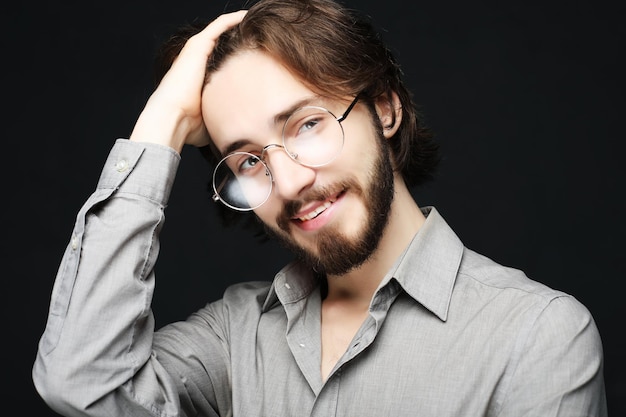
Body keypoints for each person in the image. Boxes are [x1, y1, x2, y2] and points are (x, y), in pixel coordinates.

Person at [33, 0, 607, 416]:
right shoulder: (235, 339)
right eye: (248, 161)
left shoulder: (535, 339)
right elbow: (82, 380)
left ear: (384, 108)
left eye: (307, 125)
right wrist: (161, 125)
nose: (287, 183)